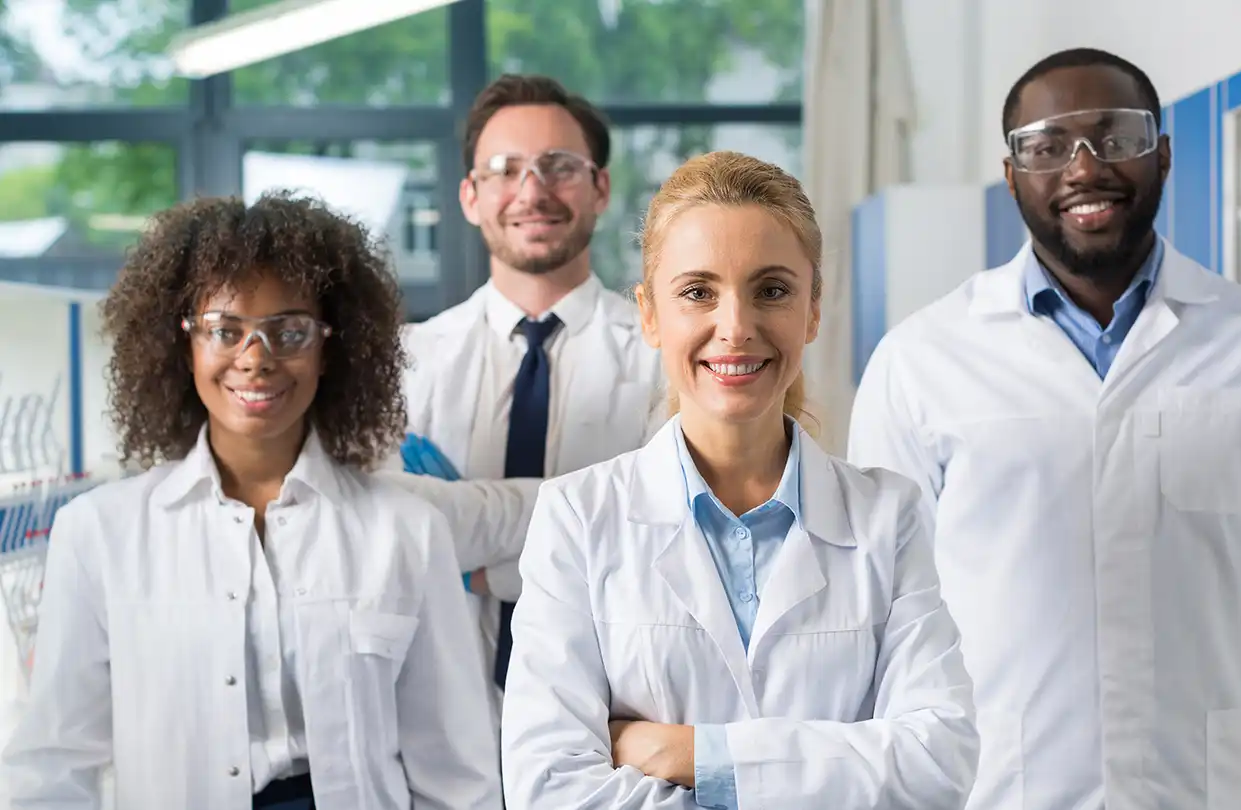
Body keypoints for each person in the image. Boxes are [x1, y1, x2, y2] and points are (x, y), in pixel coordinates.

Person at [849, 47, 1241, 810]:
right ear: (1012, 175)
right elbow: (884, 635)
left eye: (1115, 137)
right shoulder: (919, 362)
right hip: (995, 792)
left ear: (1163, 155)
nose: (1084, 167)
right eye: (1048, 145)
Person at [500, 151, 980, 810]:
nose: (736, 328)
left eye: (772, 290)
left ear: (812, 310)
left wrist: (693, 754)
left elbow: (938, 762)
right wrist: (823, 771)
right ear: (649, 314)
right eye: (698, 291)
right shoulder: (578, 518)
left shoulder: (885, 517)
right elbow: (550, 789)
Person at [1, 193, 502, 809]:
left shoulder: (406, 532)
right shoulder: (99, 534)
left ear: (329, 348)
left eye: (289, 330)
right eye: (224, 330)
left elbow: (458, 773)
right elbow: (53, 765)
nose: (256, 358)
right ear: (182, 345)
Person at [400, 73, 664, 694]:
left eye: (559, 166)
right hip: (442, 700)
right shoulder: (408, 362)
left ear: (600, 186)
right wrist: (589, 523)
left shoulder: (662, 361)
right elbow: (392, 535)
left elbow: (658, 545)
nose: (532, 191)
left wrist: (468, 561)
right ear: (470, 196)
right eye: (504, 169)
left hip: (614, 702)